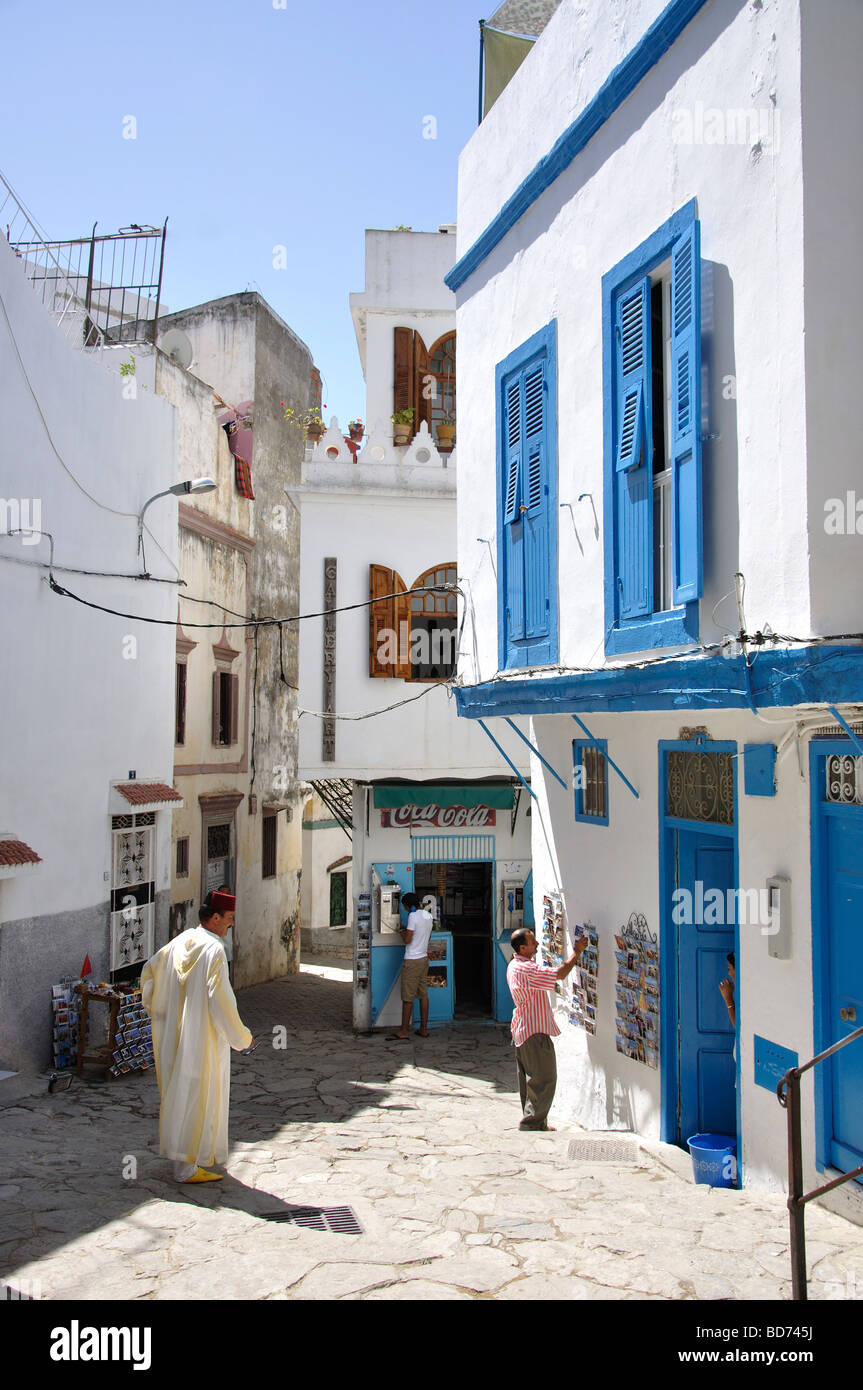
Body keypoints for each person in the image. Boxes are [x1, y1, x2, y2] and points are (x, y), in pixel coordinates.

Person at [141, 890, 253, 1184]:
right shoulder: (214, 951)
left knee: (180, 1096)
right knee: (200, 1098)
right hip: (202, 1038)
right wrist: (242, 1038)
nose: (230, 926)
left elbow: (149, 974)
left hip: (176, 1036)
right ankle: (187, 1168)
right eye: (228, 920)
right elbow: (222, 1001)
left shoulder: (179, 942)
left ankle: (182, 1162)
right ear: (215, 917)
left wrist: (161, 1012)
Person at [507, 926, 588, 1131]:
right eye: (532, 942)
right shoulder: (527, 969)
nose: (537, 944)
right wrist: (577, 951)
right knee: (545, 1078)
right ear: (523, 948)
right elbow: (560, 973)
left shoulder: (514, 965)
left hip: (523, 1029)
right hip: (534, 1030)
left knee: (531, 1079)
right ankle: (532, 1122)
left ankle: (537, 1121)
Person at [386, 892, 434, 1041]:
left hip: (412, 960)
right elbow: (424, 935)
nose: (405, 909)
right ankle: (424, 1029)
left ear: (410, 906)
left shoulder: (413, 916)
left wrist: (402, 932)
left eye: (405, 906)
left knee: (408, 997)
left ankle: (404, 1031)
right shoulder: (428, 915)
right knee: (423, 995)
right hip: (423, 958)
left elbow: (408, 940)